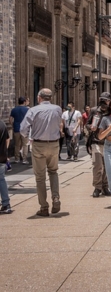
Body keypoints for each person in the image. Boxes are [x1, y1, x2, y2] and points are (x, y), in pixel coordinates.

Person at [20, 88, 63, 217]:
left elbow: (23, 128)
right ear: (50, 98)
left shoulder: (33, 110)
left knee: (40, 177)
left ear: (39, 98)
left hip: (39, 144)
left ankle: (44, 207)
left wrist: (29, 137)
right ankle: (55, 197)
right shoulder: (58, 109)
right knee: (53, 171)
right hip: (54, 144)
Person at [86, 92, 111, 198]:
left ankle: (105, 186)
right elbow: (87, 123)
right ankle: (97, 187)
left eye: (105, 100)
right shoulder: (94, 110)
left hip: (108, 142)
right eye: (102, 100)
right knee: (97, 166)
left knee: (107, 166)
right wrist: (91, 127)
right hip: (96, 142)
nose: (103, 102)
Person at [9, 97, 29, 164]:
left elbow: (10, 119)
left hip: (16, 129)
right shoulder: (27, 110)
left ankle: (16, 159)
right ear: (24, 102)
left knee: (17, 145)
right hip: (25, 129)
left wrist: (13, 126)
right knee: (25, 145)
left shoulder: (14, 109)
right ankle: (24, 159)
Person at [0, 119, 12, 214]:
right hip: (2, 156)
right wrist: (5, 151)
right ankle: (6, 204)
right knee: (1, 180)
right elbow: (7, 139)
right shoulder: (2, 124)